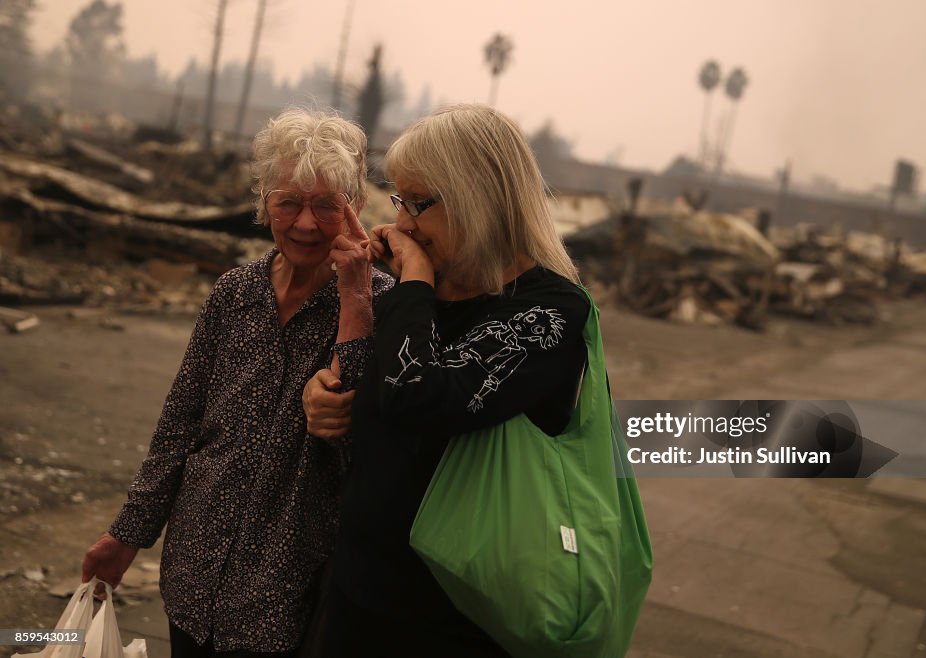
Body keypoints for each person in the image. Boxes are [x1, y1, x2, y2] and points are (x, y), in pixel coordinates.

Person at [80, 107, 392, 657]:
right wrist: (128, 535)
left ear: (356, 209)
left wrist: (355, 299)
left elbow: (364, 445)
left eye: (326, 205)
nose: (305, 223)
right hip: (193, 576)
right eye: (288, 202)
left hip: (289, 592)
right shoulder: (235, 293)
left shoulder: (385, 305)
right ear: (263, 201)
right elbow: (180, 425)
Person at [301, 103, 592, 656]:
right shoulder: (423, 294)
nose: (404, 222)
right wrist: (327, 397)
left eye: (418, 203)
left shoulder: (547, 312)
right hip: (359, 595)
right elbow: (378, 397)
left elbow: (420, 396)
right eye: (399, 202)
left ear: (475, 195)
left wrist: (412, 278)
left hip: (459, 615)